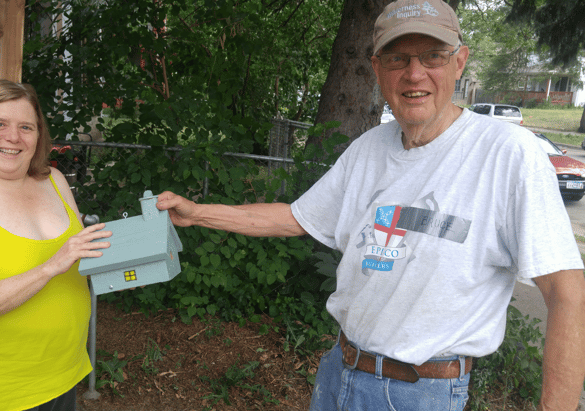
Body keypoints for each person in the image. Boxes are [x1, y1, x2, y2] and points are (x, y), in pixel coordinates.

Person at [155, 0, 585, 409]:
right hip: (339, 371)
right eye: (397, 58)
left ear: (459, 61)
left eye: (432, 56)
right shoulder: (369, 148)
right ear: (377, 68)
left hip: (423, 394)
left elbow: (567, 294)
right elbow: (296, 217)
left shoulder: (508, 153)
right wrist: (199, 213)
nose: (414, 74)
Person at [0, 79, 111, 411]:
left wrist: (133, 248)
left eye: (26, 127)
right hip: (0, 389)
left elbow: (79, 257)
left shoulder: (53, 181)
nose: (13, 137)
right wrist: (50, 266)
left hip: (63, 371)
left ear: (38, 136)